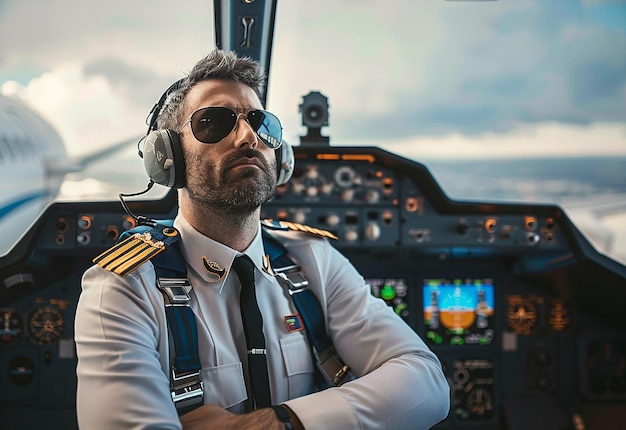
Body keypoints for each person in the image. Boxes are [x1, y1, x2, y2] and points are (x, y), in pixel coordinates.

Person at [74, 48, 450, 429]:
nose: (247, 136)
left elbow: (426, 381)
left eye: (260, 122)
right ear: (167, 155)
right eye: (213, 122)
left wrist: (277, 423)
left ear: (280, 155)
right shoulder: (123, 287)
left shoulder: (312, 259)